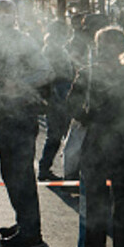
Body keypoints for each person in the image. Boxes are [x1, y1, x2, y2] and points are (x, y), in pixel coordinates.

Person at [68, 27, 124, 247]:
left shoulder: (87, 74)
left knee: (96, 200)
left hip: (97, 142)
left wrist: (89, 117)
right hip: (123, 142)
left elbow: (71, 106)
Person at [0, 0, 52, 247]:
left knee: (21, 175)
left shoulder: (24, 41)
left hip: (21, 115)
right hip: (3, 114)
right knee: (10, 174)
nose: (0, 19)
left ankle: (32, 233)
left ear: (13, 17)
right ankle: (24, 223)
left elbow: (45, 71)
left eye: (5, 14)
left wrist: (18, 83)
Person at [38, 22, 75, 181]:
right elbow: (52, 74)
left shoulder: (56, 47)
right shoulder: (53, 49)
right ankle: (51, 169)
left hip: (59, 94)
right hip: (58, 95)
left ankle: (47, 168)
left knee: (58, 135)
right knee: (59, 135)